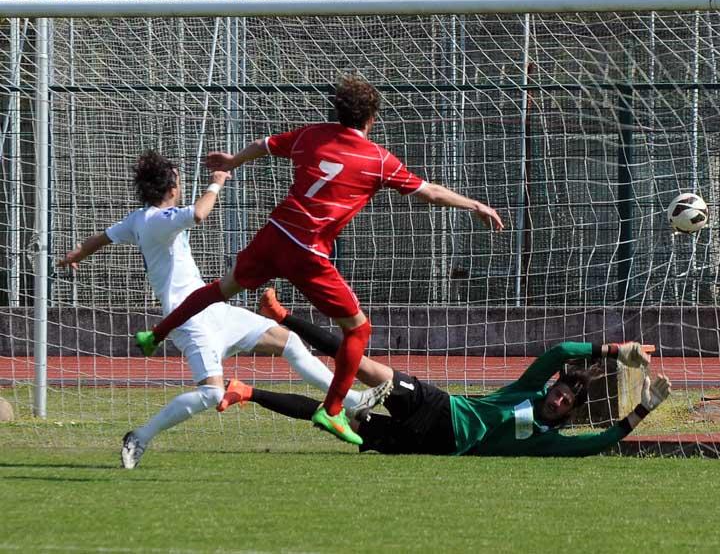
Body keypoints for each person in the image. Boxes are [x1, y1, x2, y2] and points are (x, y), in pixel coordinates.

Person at [134, 74, 504, 445]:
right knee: (358, 329)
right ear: (371, 119)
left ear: (338, 112)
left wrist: (231, 163)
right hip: (308, 251)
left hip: (274, 234)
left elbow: (262, 145)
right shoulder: (377, 159)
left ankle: (157, 333)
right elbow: (432, 192)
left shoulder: (312, 135)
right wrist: (473, 204)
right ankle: (332, 410)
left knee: (220, 289)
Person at [57, 151, 391, 469]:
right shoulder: (160, 219)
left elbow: (100, 238)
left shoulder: (138, 219)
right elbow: (200, 214)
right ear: (172, 188)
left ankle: (350, 401)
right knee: (212, 393)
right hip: (189, 321)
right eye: (179, 181)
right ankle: (139, 436)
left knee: (287, 342)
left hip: (214, 310)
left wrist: (76, 255)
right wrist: (217, 182)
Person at [215, 288, 672, 457]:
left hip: (431, 445)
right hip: (440, 407)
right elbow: (558, 351)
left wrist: (642, 411)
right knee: (368, 368)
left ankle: (246, 391)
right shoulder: (530, 389)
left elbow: (597, 444)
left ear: (567, 413)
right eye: (559, 394)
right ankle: (283, 314)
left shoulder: (546, 442)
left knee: (338, 421)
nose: (557, 401)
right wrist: (615, 350)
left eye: (565, 404)